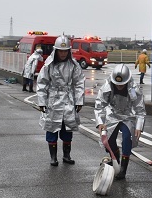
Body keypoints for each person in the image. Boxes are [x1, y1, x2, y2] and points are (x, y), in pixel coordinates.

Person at [36, 36, 85, 166]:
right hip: (53, 100)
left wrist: (79, 100)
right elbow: (42, 83)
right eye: (60, 51)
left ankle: (66, 155)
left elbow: (79, 83)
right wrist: (41, 102)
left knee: (67, 128)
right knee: (52, 128)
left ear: (69, 51)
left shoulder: (74, 65)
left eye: (65, 51)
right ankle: (53, 157)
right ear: (56, 51)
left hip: (69, 99)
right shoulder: (49, 65)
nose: (63, 54)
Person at [94, 64, 146, 180]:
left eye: (122, 84)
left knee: (127, 138)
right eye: (117, 84)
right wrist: (100, 122)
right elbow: (99, 105)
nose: (119, 86)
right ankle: (115, 159)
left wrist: (139, 126)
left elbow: (140, 109)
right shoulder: (108, 86)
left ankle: (123, 168)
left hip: (128, 115)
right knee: (109, 139)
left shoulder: (134, 88)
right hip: (113, 114)